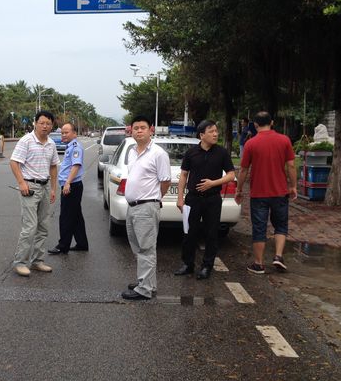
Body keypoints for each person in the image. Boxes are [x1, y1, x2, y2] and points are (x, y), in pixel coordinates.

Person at [235, 111, 297, 274]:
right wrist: (293, 186)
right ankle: (278, 256)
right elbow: (291, 166)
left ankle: (259, 264)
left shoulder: (251, 143)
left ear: (255, 125)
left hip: (259, 193)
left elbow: (243, 170)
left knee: (259, 228)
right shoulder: (284, 140)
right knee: (281, 225)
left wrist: (239, 189)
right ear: (272, 123)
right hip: (280, 192)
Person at [175, 120, 236, 280]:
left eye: (216, 131)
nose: (215, 134)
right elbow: (183, 175)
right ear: (202, 135)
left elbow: (231, 175)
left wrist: (212, 183)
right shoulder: (191, 153)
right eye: (211, 131)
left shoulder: (221, 153)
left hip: (213, 199)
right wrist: (180, 198)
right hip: (193, 199)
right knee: (189, 233)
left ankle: (207, 266)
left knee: (211, 234)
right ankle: (188, 264)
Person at [121, 115, 171, 300]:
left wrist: (154, 199)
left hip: (146, 207)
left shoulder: (158, 153)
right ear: (131, 130)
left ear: (151, 130)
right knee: (138, 247)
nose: (139, 131)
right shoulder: (132, 151)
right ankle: (147, 282)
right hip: (132, 207)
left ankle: (145, 290)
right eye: (136, 128)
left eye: (143, 127)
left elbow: (165, 181)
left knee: (146, 248)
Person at [10, 111, 60, 277]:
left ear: (52, 125)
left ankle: (38, 261)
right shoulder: (26, 141)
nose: (45, 126)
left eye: (48, 123)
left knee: (43, 226)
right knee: (30, 227)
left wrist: (53, 188)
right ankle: (20, 262)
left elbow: (53, 166)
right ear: (35, 123)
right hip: (30, 187)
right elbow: (14, 162)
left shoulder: (51, 143)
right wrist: (22, 183)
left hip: (45, 187)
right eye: (42, 123)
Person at [48, 123, 89, 255]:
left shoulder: (76, 147)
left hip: (71, 186)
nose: (63, 135)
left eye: (66, 132)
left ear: (74, 133)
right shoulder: (70, 146)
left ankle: (63, 245)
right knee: (76, 216)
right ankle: (82, 243)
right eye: (62, 133)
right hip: (73, 185)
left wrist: (67, 183)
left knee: (66, 217)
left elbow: (76, 166)